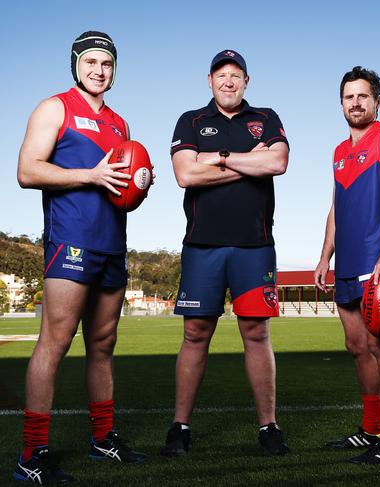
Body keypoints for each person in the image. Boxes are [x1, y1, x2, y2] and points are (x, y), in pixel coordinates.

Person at [14, 31, 147, 484]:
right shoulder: (55, 108)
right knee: (55, 341)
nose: (99, 70)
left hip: (113, 243)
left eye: (106, 64)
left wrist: (139, 185)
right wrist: (89, 175)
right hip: (71, 240)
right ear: (76, 65)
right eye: (90, 62)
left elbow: (121, 188)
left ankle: (104, 438)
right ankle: (32, 454)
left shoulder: (120, 124)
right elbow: (27, 170)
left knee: (104, 346)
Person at [161, 49, 290, 457]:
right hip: (203, 246)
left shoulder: (265, 117)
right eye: (222, 75)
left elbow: (279, 161)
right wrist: (251, 160)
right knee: (196, 334)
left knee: (256, 333)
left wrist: (214, 159)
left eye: (236, 75)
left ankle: (268, 427)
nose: (229, 81)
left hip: (255, 246)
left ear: (246, 81)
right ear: (210, 80)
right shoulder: (192, 120)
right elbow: (185, 174)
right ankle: (180, 427)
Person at [314, 66, 380, 464]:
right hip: (347, 264)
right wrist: (324, 256)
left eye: (363, 96)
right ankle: (371, 431)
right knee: (357, 347)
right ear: (341, 103)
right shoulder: (338, 152)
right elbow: (336, 208)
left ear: (376, 102)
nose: (355, 103)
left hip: (378, 264)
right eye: (349, 97)